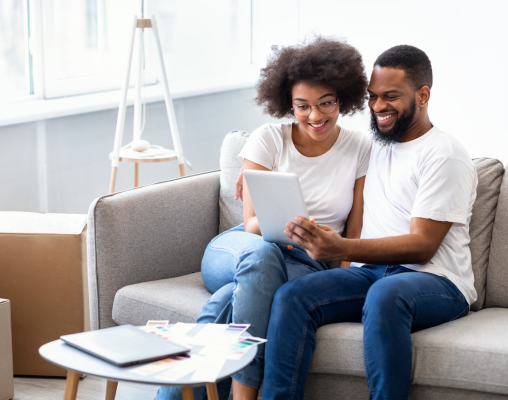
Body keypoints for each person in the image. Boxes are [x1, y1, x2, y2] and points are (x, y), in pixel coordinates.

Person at [155, 36, 372, 400]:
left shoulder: (360, 148)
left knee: (227, 301)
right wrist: (288, 224)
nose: (315, 116)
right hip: (242, 246)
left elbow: (356, 228)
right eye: (302, 106)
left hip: (306, 263)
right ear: (287, 102)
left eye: (325, 104)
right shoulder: (267, 139)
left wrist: (342, 277)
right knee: (262, 255)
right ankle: (244, 395)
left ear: (343, 100)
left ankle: (171, 396)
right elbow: (253, 225)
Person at [262, 45, 477, 400]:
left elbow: (423, 245)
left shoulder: (445, 154)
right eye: (373, 97)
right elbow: (313, 140)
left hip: (437, 280)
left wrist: (342, 247)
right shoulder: (374, 145)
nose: (378, 107)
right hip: (373, 272)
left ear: (423, 95)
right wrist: (252, 167)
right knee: (292, 296)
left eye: (390, 96)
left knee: (385, 294)